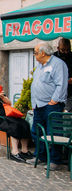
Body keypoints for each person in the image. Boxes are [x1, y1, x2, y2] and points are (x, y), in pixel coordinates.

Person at [28, 42, 68, 170]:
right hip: (39, 105)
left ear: (42, 53)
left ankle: (55, 160)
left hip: (51, 105)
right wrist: (34, 103)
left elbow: (61, 84)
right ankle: (41, 156)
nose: (34, 55)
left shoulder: (58, 64)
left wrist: (54, 100)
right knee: (36, 131)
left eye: (35, 52)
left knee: (53, 132)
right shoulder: (39, 65)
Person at [53, 38, 72, 112]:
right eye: (63, 50)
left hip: (69, 93)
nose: (66, 52)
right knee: (56, 116)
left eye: (68, 50)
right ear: (58, 48)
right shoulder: (52, 58)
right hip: (55, 93)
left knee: (67, 117)